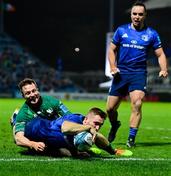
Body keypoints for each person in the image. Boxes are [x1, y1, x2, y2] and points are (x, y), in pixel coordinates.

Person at [106, 1, 168, 147]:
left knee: (137, 103)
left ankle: (131, 139)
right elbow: (111, 50)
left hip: (138, 74)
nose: (137, 17)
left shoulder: (151, 34)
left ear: (145, 15)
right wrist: (113, 67)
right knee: (109, 109)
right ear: (131, 15)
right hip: (121, 74)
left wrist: (163, 69)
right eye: (135, 14)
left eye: (140, 14)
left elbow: (160, 54)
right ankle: (115, 124)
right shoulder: (121, 31)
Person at [20, 107, 133, 157]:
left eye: (100, 125)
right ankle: (15, 116)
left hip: (50, 141)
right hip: (34, 128)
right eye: (96, 123)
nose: (97, 127)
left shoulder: (83, 126)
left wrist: (76, 153)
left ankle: (114, 151)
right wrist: (89, 128)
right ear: (85, 119)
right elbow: (65, 128)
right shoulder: (75, 119)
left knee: (68, 153)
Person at [12, 78, 72, 154]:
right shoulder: (24, 113)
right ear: (23, 96)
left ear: (37, 90)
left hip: (52, 130)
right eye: (28, 93)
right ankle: (14, 121)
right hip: (37, 136)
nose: (32, 95)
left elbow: (70, 117)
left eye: (34, 91)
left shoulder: (51, 101)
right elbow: (18, 139)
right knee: (16, 136)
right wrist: (33, 144)